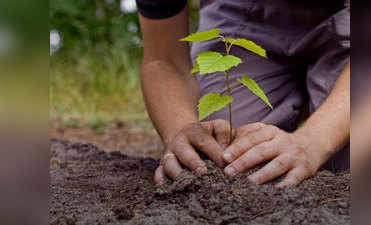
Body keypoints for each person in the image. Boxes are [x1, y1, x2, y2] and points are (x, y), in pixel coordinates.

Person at [136, 0, 350, 186]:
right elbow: (164, 59)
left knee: (357, 154)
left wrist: (313, 140)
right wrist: (180, 129)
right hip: (244, 10)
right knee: (225, 150)